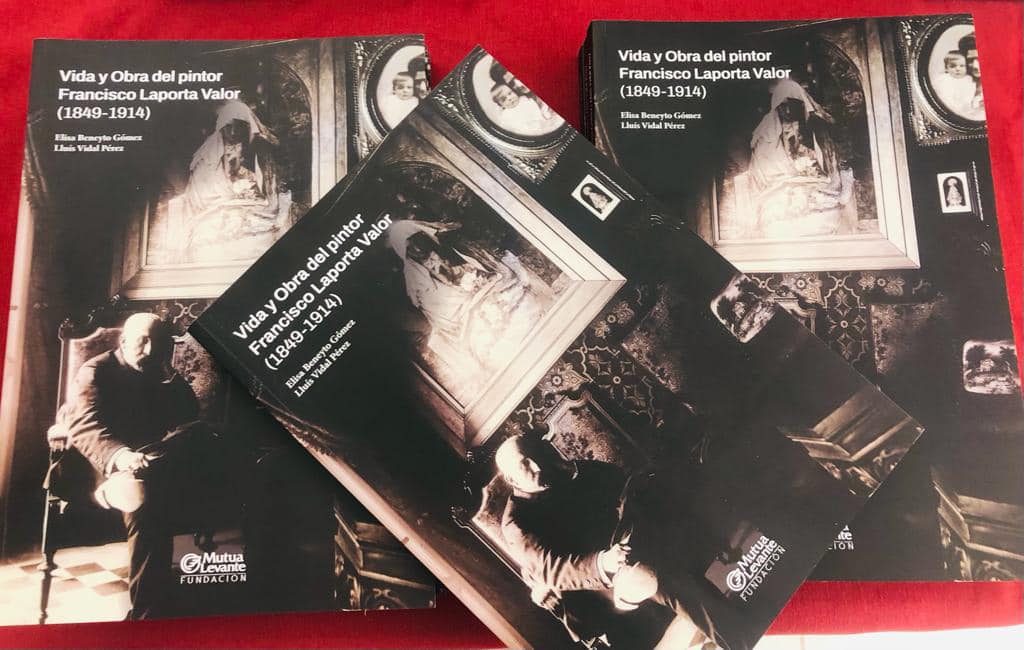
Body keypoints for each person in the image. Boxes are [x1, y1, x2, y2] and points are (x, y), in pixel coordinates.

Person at [56, 313, 216, 619]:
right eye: (142, 341)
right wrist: (122, 456)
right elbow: (85, 425)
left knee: (200, 435)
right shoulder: (97, 371)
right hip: (109, 463)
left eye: (158, 342)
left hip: (152, 461)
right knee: (148, 504)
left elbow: (188, 419)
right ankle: (147, 617)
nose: (149, 349)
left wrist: (171, 381)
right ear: (124, 340)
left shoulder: (160, 371)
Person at [495, 435, 717, 649]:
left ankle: (719, 618)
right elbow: (553, 569)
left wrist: (573, 469)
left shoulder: (562, 473)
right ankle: (728, 628)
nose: (537, 466)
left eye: (536, 455)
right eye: (525, 464)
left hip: (627, 548)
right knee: (650, 572)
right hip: (593, 590)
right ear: (511, 479)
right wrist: (603, 562)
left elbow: (619, 481)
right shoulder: (516, 522)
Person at [388, 219, 556, 401]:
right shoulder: (418, 285)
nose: (419, 249)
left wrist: (487, 288)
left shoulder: (449, 247)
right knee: (496, 345)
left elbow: (489, 272)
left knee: (526, 307)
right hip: (470, 323)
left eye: (419, 241)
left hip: (496, 295)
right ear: (405, 252)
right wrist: (477, 302)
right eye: (411, 247)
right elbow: (448, 316)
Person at [932, 51, 976, 116]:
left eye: (962, 66)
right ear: (946, 68)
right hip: (950, 110)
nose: (958, 69)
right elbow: (945, 99)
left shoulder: (968, 80)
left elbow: (970, 97)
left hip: (967, 110)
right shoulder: (945, 80)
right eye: (953, 66)